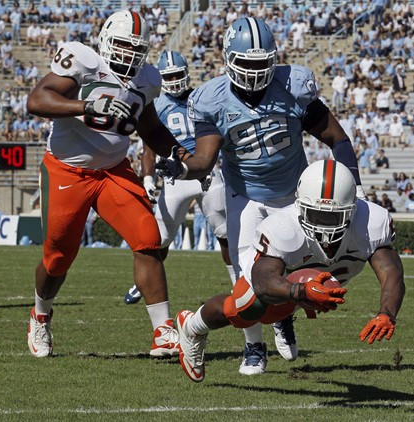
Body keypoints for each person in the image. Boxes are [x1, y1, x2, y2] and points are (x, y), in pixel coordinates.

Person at [155, 17, 365, 376]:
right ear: (228, 60)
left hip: (296, 195)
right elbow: (204, 160)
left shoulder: (294, 86)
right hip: (247, 196)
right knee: (247, 280)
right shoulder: (212, 99)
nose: (253, 74)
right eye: (246, 64)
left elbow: (338, 139)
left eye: (260, 64)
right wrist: (183, 168)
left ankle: (283, 317)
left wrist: (356, 187)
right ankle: (254, 346)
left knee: (303, 268)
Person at [25, 11, 185, 359]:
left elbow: (151, 128)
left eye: (136, 49)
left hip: (113, 170)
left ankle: (163, 330)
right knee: (57, 259)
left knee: (148, 237)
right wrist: (85, 104)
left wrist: (178, 152)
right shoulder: (82, 61)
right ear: (106, 40)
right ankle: (40, 315)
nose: (128, 56)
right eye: (123, 46)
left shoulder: (147, 79)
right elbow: (36, 100)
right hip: (68, 170)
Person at [174, 160, 405, 382]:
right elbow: (263, 281)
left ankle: (284, 314)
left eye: (333, 216)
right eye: (316, 214)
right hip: (285, 279)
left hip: (310, 279)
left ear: (352, 210)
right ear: (300, 206)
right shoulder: (282, 226)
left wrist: (387, 312)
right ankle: (192, 326)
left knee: (277, 308)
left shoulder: (371, 221)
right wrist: (300, 292)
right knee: (248, 307)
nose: (324, 224)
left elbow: (391, 272)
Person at [124, 50, 233, 305]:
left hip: (206, 173)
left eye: (176, 74)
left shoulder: (202, 98)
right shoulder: (157, 104)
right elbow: (149, 149)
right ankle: (144, 282)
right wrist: (148, 179)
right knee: (160, 238)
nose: (173, 80)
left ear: (186, 73)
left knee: (225, 232)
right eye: (168, 76)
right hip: (175, 178)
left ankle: (239, 282)